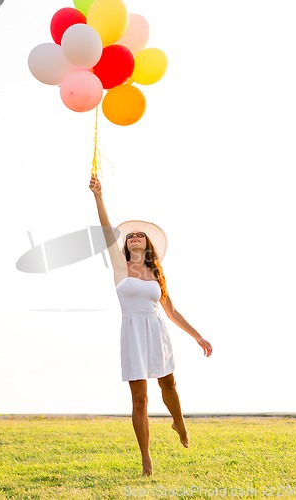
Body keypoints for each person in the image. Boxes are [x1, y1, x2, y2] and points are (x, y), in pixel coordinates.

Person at [89, 175, 213, 476]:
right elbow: (107, 231)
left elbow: (170, 310)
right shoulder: (120, 268)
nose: (133, 237)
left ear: (147, 244)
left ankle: (179, 422)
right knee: (140, 399)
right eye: (130, 235)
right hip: (132, 332)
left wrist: (197, 336)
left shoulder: (157, 273)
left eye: (139, 235)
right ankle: (146, 460)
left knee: (168, 384)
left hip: (157, 331)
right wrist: (99, 196)